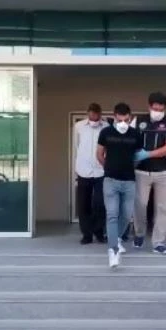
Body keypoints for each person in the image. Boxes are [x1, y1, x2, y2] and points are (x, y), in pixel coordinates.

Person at [97, 103, 142, 269]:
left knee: (126, 215)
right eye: (120, 119)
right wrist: (109, 167)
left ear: (130, 118)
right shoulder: (106, 132)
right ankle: (113, 250)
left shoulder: (135, 134)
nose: (123, 122)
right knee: (112, 214)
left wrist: (129, 167)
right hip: (110, 180)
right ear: (114, 117)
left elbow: (138, 156)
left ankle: (116, 238)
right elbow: (99, 154)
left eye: (126, 119)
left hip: (129, 181)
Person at [132, 92, 166, 255]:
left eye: (161, 109)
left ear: (165, 108)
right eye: (155, 108)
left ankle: (158, 242)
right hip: (141, 171)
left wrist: (148, 154)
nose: (158, 111)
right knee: (140, 205)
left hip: (164, 172)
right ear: (149, 106)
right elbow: (130, 141)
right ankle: (139, 233)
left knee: (162, 208)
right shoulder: (138, 121)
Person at [74, 103, 110, 245]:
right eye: (92, 114)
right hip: (83, 170)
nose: (94, 117)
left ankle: (99, 231)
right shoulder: (79, 126)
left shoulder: (106, 127)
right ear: (88, 113)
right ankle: (86, 234)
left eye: (97, 114)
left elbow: (108, 147)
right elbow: (77, 146)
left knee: (100, 203)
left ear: (100, 114)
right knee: (84, 204)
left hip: (100, 170)